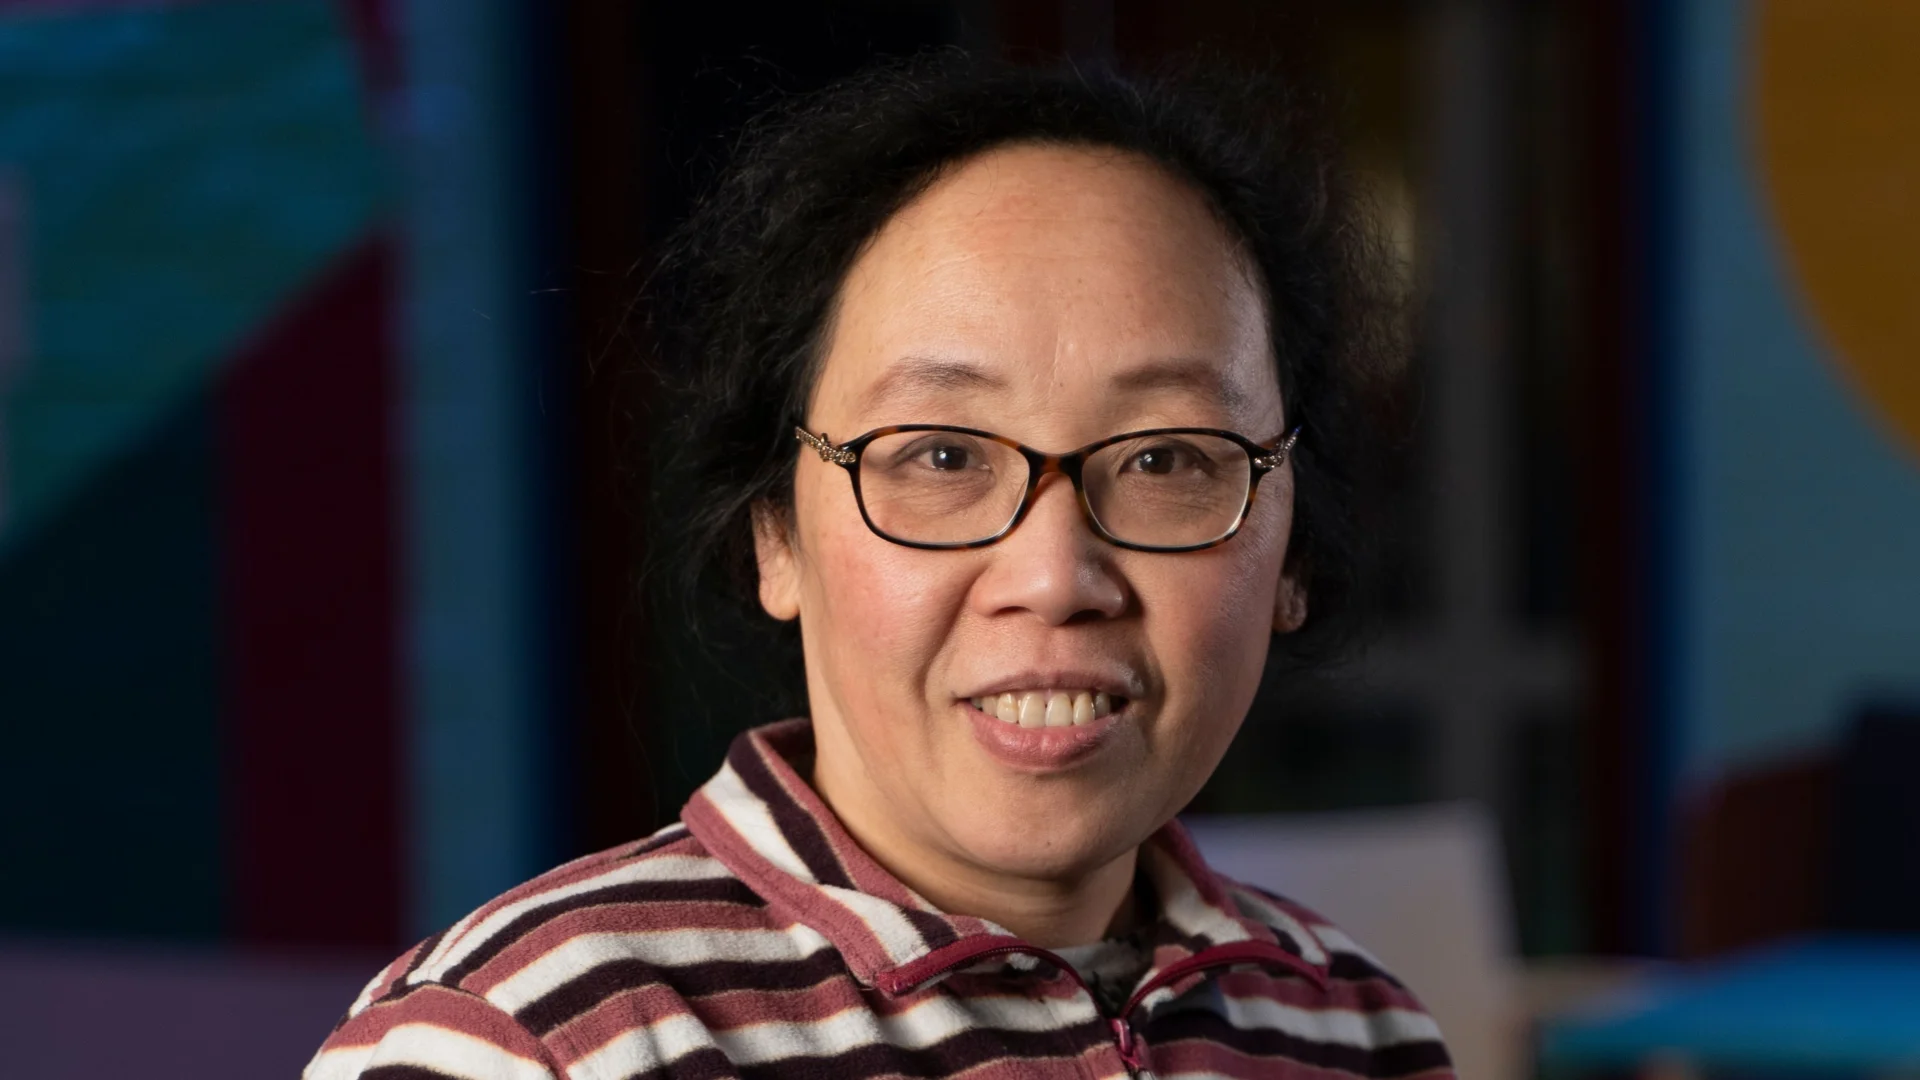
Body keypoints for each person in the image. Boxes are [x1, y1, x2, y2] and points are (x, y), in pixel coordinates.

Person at [306, 55, 1452, 1080]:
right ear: (775, 533)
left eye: (1165, 457)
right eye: (941, 455)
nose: (1053, 574)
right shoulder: (527, 1042)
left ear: (1292, 544)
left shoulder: (1352, 1028)